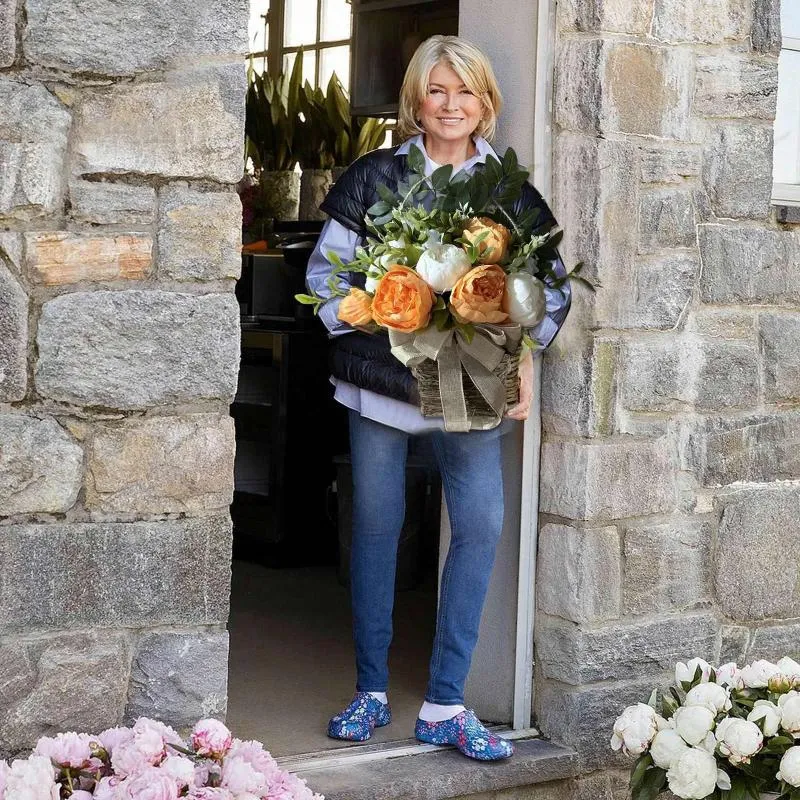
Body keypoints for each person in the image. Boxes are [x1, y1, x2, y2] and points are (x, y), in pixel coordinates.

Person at [305, 34, 571, 761]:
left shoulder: (509, 190)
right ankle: (369, 691)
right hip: (382, 387)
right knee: (378, 526)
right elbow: (326, 281)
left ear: (486, 104)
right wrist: (392, 307)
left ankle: (446, 705)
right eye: (438, 90)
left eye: (467, 92)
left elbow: (548, 292)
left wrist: (523, 361)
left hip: (473, 386)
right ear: (416, 101)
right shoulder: (374, 175)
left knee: (480, 525)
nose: (452, 106)